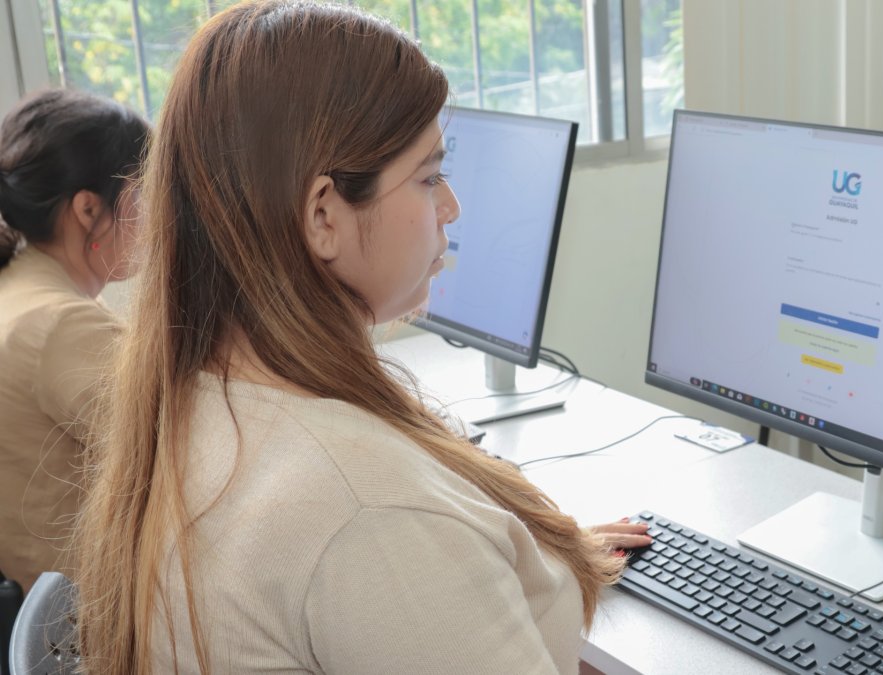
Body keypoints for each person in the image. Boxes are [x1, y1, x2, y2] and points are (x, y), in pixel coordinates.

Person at [73, 2, 648, 673]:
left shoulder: (201, 402)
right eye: (430, 177)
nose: (451, 208)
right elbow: (375, 531)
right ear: (323, 215)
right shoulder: (370, 509)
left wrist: (531, 551)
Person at [0, 88, 148, 592]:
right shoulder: (62, 326)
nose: (152, 220)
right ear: (88, 208)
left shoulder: (19, 287)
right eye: (141, 198)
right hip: (81, 626)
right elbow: (187, 451)